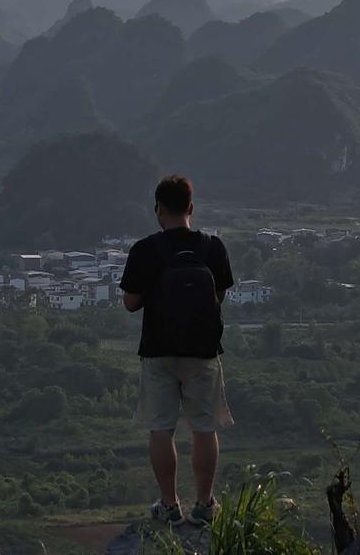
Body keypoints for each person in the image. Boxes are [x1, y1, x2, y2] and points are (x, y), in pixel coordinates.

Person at [120, 174, 234, 528]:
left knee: (161, 429)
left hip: (158, 351)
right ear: (191, 207)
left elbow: (130, 303)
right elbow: (218, 296)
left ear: (158, 210)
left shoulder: (145, 250)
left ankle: (169, 506)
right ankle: (204, 505)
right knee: (203, 428)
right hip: (202, 352)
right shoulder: (212, 247)